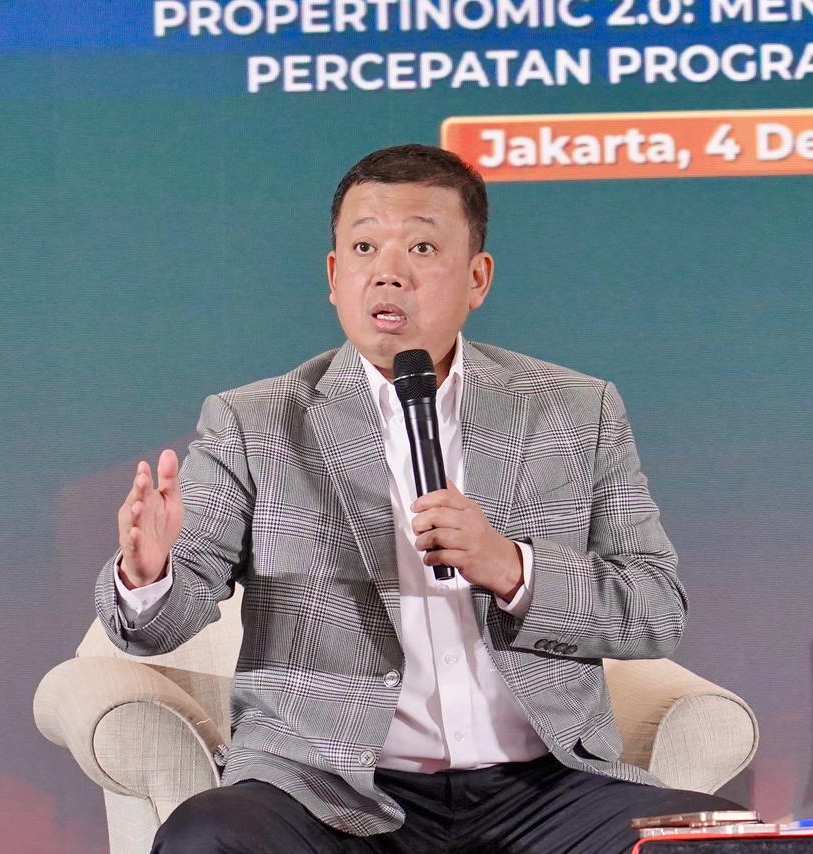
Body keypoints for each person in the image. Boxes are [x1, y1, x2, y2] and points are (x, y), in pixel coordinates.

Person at [96, 144, 741, 853]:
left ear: (477, 278)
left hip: (544, 792)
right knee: (208, 837)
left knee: (727, 844)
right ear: (335, 276)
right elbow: (157, 624)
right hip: (328, 792)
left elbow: (656, 611)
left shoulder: (575, 411)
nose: (389, 272)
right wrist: (148, 575)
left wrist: (512, 567)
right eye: (364, 247)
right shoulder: (255, 422)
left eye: (422, 247)